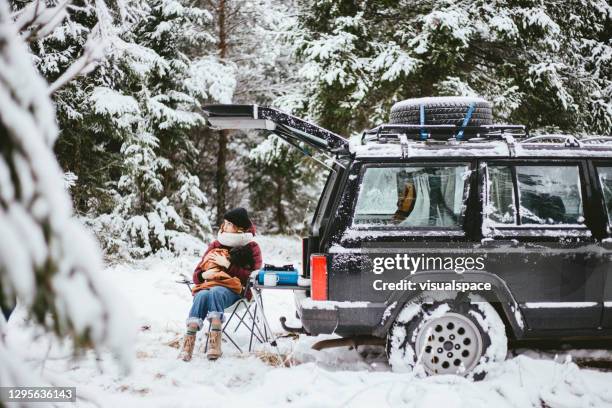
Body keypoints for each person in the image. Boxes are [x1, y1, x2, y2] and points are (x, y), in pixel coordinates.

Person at [179, 208, 262, 361]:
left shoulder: (251, 247)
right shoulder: (216, 244)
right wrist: (204, 275)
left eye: (229, 223)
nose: (224, 226)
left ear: (240, 228)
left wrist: (229, 266)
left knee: (216, 291)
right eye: (224, 223)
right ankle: (188, 342)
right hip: (209, 287)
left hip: (238, 293)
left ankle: (214, 342)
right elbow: (197, 273)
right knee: (203, 294)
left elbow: (254, 277)